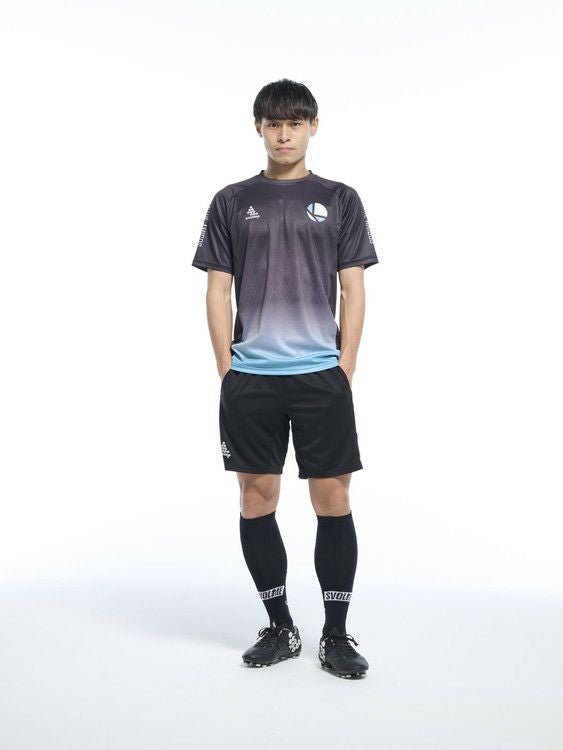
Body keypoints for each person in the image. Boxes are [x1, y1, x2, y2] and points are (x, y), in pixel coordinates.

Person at [191, 78, 379, 679]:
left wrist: (345, 365)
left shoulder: (340, 198)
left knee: (333, 499)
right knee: (256, 498)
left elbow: (353, 288)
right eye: (273, 123)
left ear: (313, 126)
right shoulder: (231, 200)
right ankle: (280, 627)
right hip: (252, 378)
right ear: (258, 128)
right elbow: (217, 289)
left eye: (295, 122)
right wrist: (227, 367)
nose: (284, 133)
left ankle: (335, 635)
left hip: (320, 375)